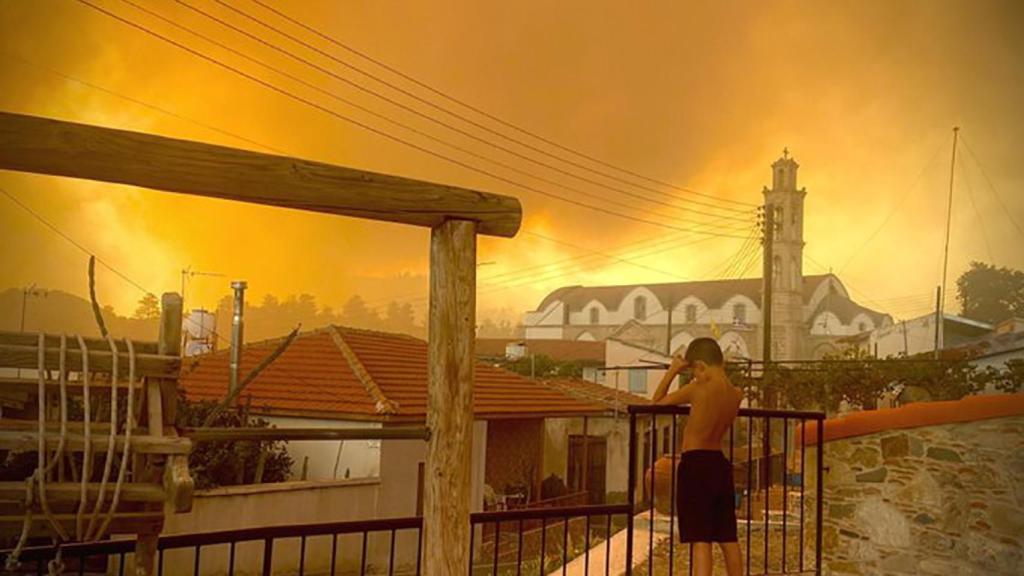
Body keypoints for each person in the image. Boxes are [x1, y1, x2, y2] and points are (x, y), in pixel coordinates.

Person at [652, 337, 743, 576]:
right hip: (719, 465)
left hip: (696, 464)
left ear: (701, 365)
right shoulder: (736, 394)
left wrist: (673, 371)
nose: (694, 375)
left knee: (700, 539)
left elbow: (657, 401)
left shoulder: (699, 388)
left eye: (694, 370)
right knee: (727, 536)